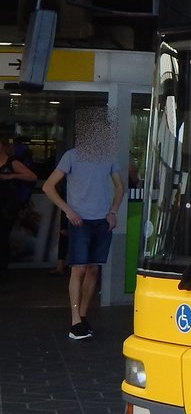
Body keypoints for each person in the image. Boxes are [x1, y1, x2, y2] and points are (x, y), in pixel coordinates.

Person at [41, 108, 124, 340]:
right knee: (78, 268)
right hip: (80, 221)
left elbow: (120, 187)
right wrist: (69, 211)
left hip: (101, 221)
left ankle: (83, 316)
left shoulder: (108, 156)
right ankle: (75, 320)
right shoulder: (71, 156)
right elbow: (48, 186)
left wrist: (113, 212)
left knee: (93, 269)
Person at [0, 135, 38, 279]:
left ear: (4, 146)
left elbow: (32, 176)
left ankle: (3, 269)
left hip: (7, 206)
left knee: (2, 236)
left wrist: (11, 176)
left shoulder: (12, 162)